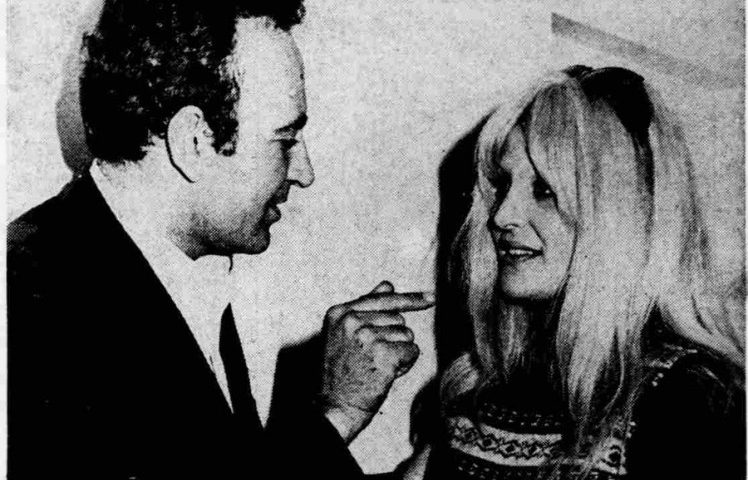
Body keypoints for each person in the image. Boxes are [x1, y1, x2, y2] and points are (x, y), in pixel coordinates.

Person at [7, 1, 434, 478]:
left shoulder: (157, 263)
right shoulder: (35, 313)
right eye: (284, 141)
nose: (304, 172)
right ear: (192, 142)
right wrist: (336, 416)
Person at [415, 66, 745, 479]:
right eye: (501, 185)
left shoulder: (688, 396)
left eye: (544, 190)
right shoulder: (476, 387)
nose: (501, 215)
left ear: (616, 215)